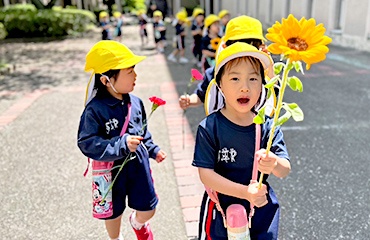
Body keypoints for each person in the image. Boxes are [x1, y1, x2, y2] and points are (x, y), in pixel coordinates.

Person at [192, 42, 291, 239]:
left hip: (261, 206)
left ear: (262, 84)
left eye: (253, 79)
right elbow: (206, 175)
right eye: (235, 78)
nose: (245, 87)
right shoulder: (210, 127)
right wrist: (245, 192)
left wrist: (273, 163)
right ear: (220, 85)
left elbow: (284, 170)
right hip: (220, 209)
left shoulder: (267, 126)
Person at [78, 40, 167, 240]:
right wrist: (121, 144)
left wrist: (153, 149)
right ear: (105, 80)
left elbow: (143, 132)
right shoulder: (94, 110)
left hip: (138, 167)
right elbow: (86, 142)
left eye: (134, 70)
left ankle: (138, 222)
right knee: (113, 212)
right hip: (110, 171)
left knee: (149, 208)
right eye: (129, 72)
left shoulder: (136, 103)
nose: (135, 76)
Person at [179, 15, 269, 110]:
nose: (244, 51)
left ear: (262, 48)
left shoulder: (263, 71)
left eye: (252, 46)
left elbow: (273, 98)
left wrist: (270, 69)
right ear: (225, 47)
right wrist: (190, 100)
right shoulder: (216, 71)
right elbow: (202, 95)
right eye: (238, 46)